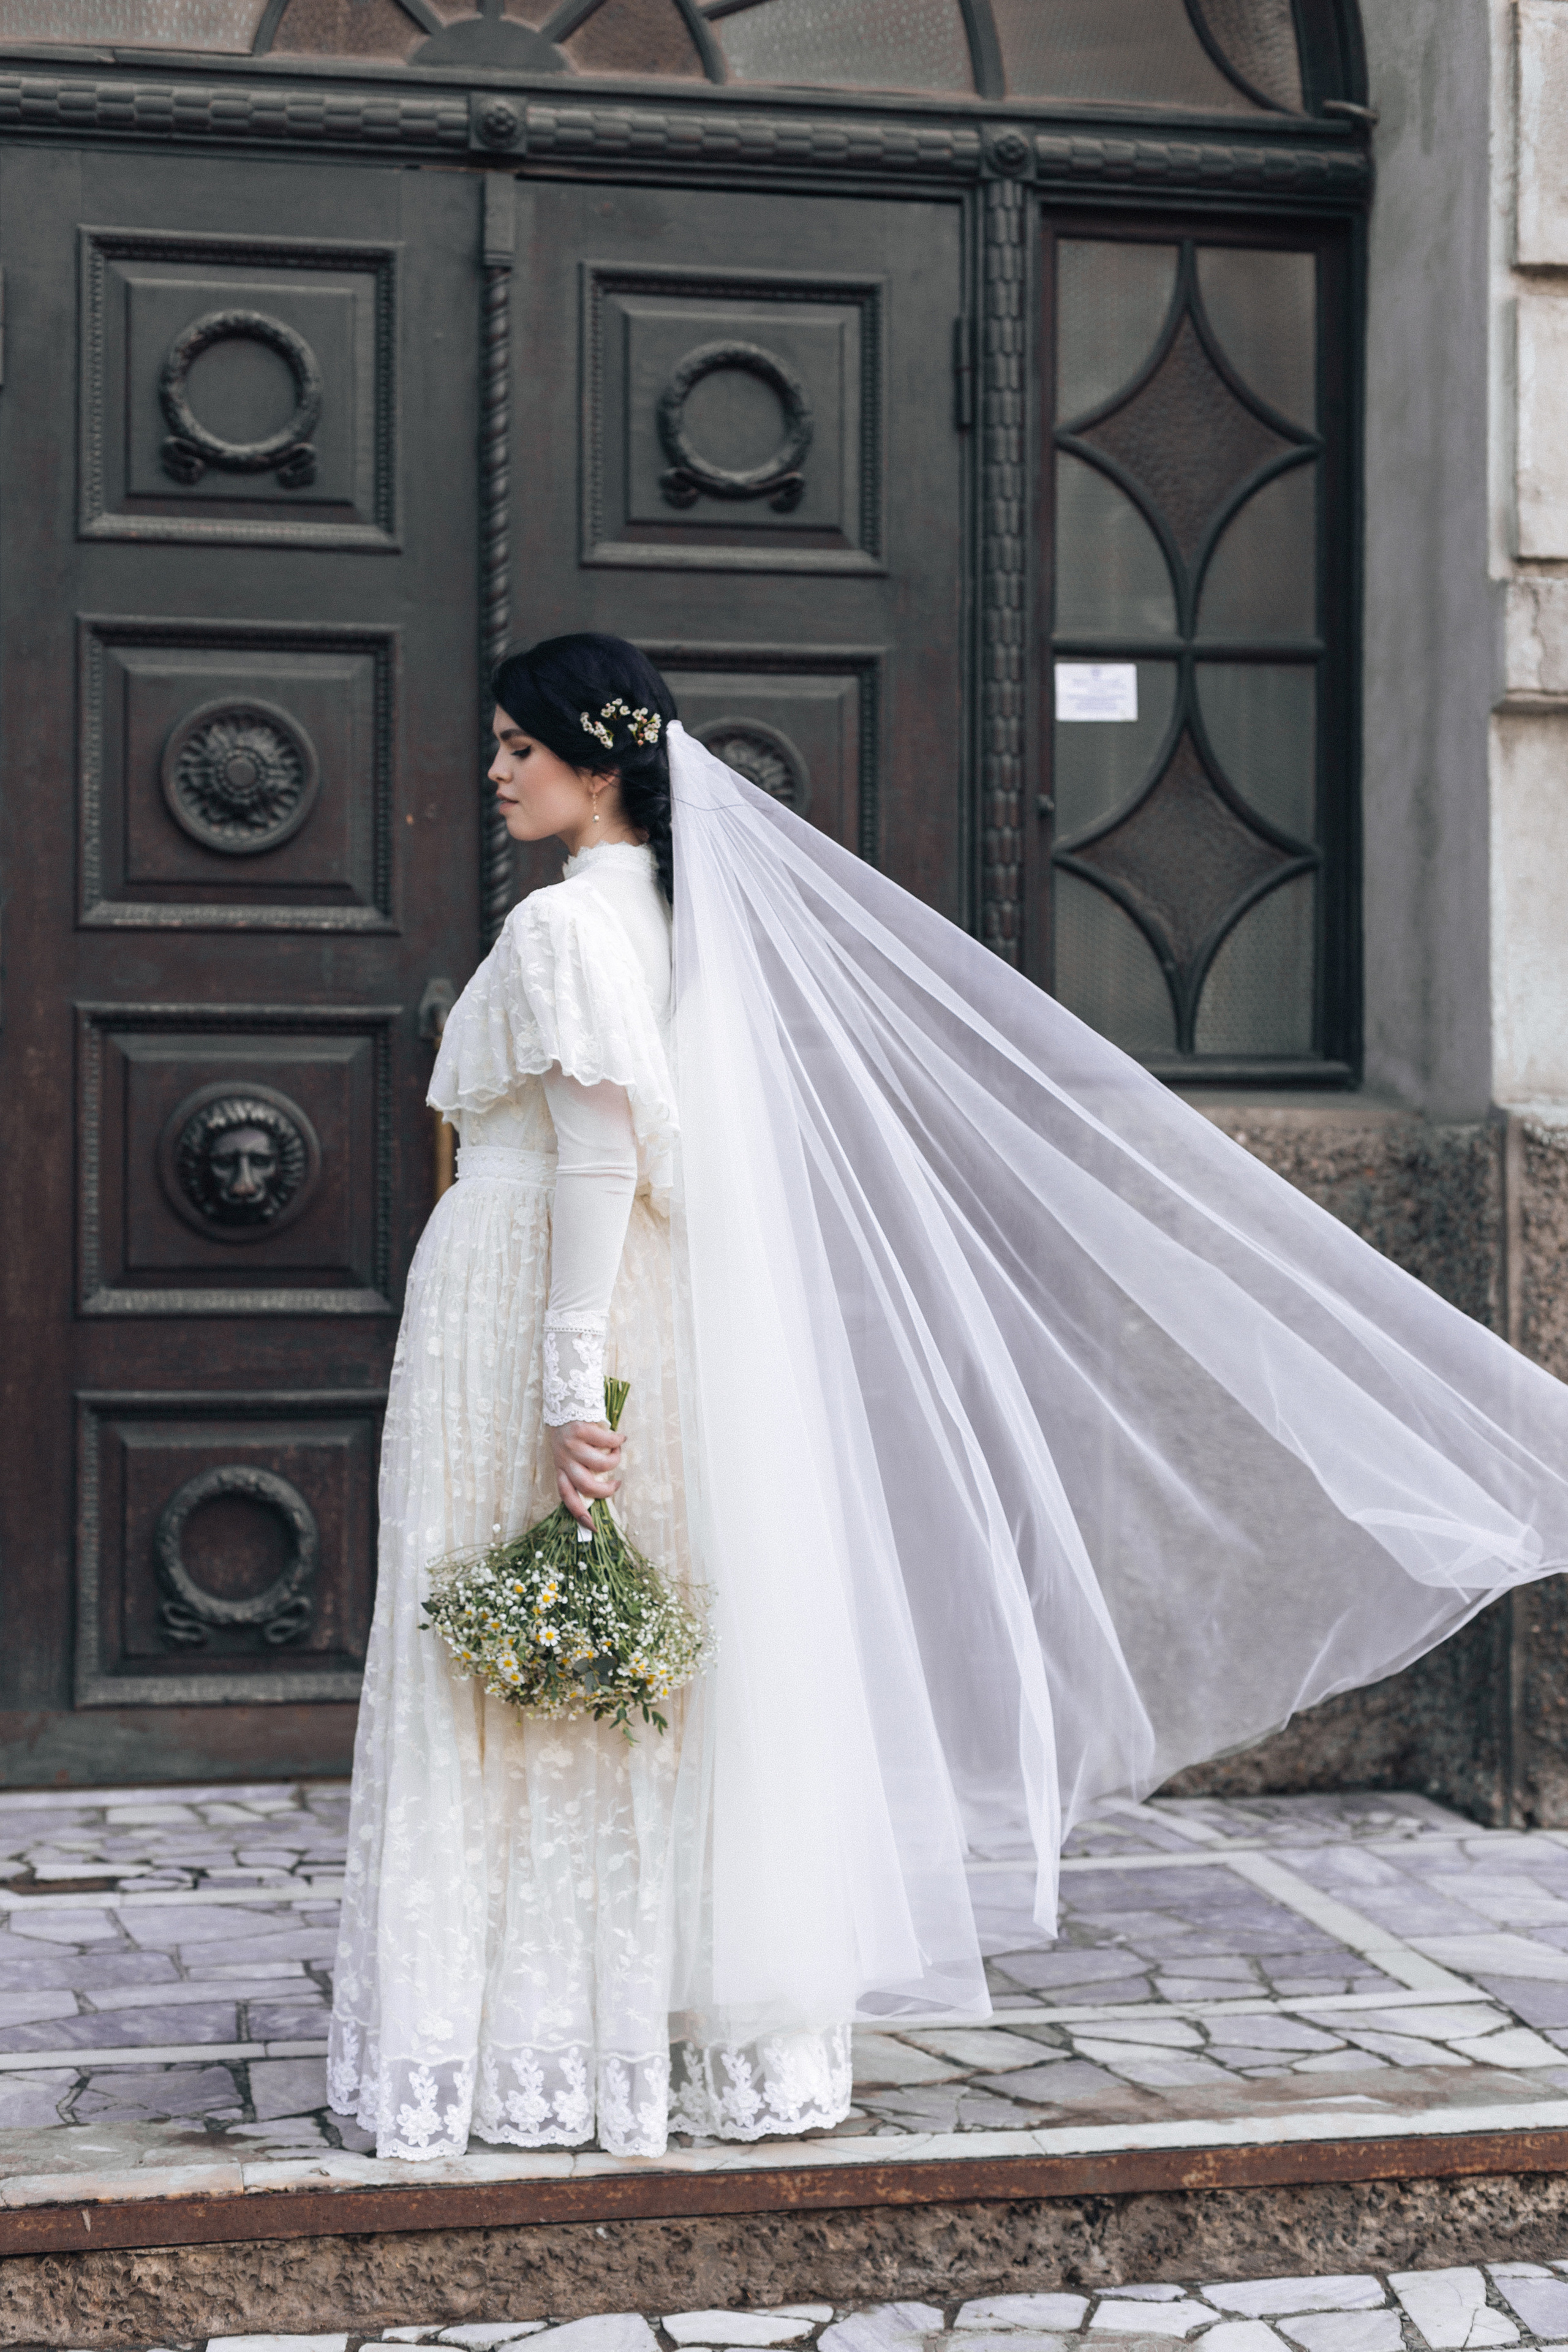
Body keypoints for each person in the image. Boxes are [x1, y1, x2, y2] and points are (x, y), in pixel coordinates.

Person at [331, 632, 1568, 2165]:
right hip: (623, 1295)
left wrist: (569, 1386)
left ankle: (525, 2040)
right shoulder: (668, 919)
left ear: (597, 765)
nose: (497, 773)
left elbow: (594, 1157)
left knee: (521, 1687)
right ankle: (612, 2030)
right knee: (606, 1694)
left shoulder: (563, 934)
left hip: (543, 1303)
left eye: (521, 748)